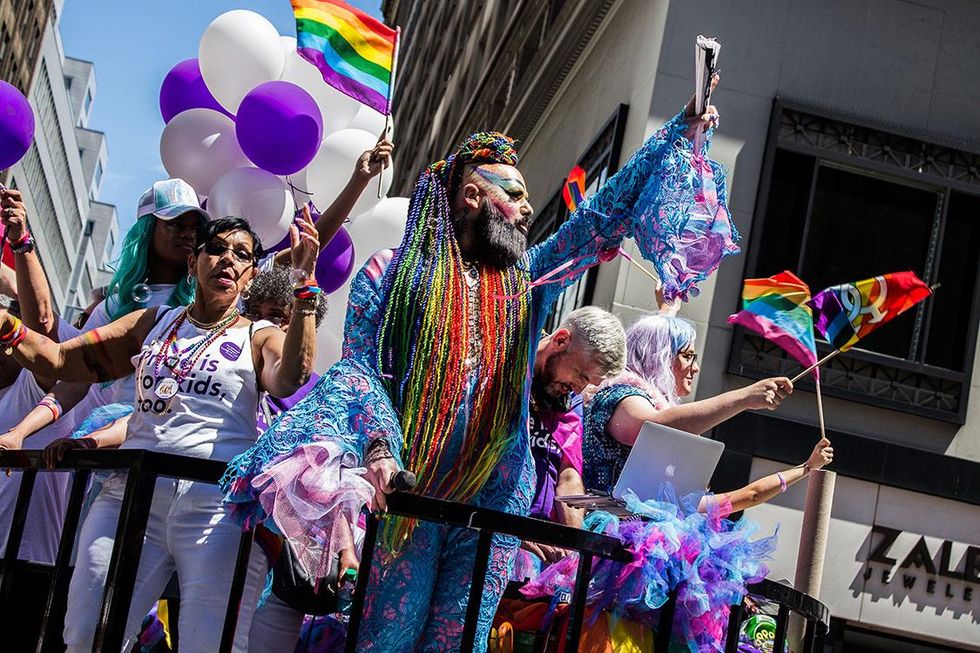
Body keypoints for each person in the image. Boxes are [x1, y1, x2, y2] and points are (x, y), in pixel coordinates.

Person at [222, 88, 727, 651]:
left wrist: (676, 135)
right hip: (411, 489)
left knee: (457, 640)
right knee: (386, 638)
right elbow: (361, 369)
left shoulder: (523, 282)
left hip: (492, 497)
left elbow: (598, 219)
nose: (528, 209)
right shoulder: (393, 274)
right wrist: (382, 451)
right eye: (514, 195)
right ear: (471, 195)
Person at [0, 215, 320, 652]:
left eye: (242, 255)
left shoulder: (259, 335)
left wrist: (304, 297)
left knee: (208, 644)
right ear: (193, 264)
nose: (227, 259)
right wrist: (10, 328)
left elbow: (290, 377)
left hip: (215, 510)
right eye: (217, 249)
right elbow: (62, 361)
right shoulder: (151, 322)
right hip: (130, 500)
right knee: (85, 634)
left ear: (250, 278)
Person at [518, 306, 625, 573]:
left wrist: (577, 548)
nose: (579, 389)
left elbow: (568, 474)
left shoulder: (570, 397)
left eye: (589, 383)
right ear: (560, 340)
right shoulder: (514, 369)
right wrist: (513, 529)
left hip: (540, 545)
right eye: (580, 375)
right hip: (492, 529)